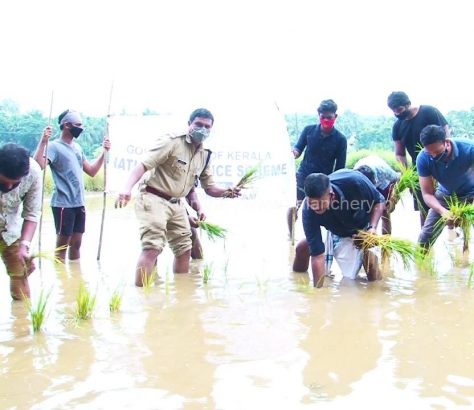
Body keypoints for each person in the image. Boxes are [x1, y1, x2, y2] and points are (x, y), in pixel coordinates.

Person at [115, 108, 240, 287]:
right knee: (153, 248)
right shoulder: (172, 142)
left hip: (177, 204)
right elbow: (143, 165)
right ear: (189, 124)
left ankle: (181, 294)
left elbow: (210, 188)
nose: (202, 129)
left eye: (207, 126)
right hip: (153, 197)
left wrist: (228, 192)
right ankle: (143, 299)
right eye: (198, 124)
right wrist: (126, 190)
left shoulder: (205, 155)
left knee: (184, 249)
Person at [34, 110, 111, 261]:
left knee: (76, 244)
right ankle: (60, 278)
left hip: (79, 202)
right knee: (62, 246)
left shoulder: (77, 148)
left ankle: (75, 280)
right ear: (67, 125)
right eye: (78, 125)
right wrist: (43, 141)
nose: (81, 129)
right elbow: (38, 165)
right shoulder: (54, 147)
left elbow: (92, 171)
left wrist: (104, 153)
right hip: (63, 204)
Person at [292, 171, 385, 287]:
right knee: (302, 247)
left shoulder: (355, 182)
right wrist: (317, 295)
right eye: (312, 203)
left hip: (361, 230)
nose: (316, 207)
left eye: (320, 203)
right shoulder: (308, 210)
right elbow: (317, 254)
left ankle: (378, 287)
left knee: (371, 266)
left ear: (332, 195)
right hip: (334, 230)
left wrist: (372, 228)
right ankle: (296, 280)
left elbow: (379, 201)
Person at [387, 91, 450, 226]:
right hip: (419, 172)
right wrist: (407, 174)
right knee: (424, 208)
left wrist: (446, 160)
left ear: (408, 104)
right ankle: (426, 243)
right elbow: (400, 153)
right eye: (394, 112)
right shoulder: (397, 126)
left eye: (399, 110)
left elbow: (446, 135)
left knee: (451, 204)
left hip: (441, 165)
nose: (397, 114)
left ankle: (456, 235)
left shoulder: (429, 112)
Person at [287, 99, 347, 236]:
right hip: (303, 177)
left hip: (323, 183)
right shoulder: (308, 130)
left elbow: (340, 168)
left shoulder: (340, 140)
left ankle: (322, 238)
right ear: (318, 116)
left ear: (335, 117)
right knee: (293, 206)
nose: (326, 120)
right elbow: (298, 149)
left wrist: (331, 186)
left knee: (322, 210)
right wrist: (292, 154)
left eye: (329, 117)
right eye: (323, 117)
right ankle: (291, 236)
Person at [416, 125, 474, 250]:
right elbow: (427, 194)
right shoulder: (423, 158)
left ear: (447, 142)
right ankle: (421, 266)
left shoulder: (470, 149)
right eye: (429, 152)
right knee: (425, 237)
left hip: (472, 192)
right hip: (445, 194)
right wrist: (443, 211)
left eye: (437, 152)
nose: (433, 156)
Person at [0, 143, 42, 299]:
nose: (10, 186)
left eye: (15, 182)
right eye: (4, 182)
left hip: (10, 227)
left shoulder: (34, 172)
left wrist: (24, 245)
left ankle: (22, 320)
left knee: (19, 270)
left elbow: (32, 213)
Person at [353, 155, 400, 234]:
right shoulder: (355, 176)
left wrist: (393, 198)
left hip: (382, 186)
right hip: (363, 188)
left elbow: (398, 179)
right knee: (366, 213)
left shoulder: (384, 170)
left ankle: (386, 243)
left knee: (385, 212)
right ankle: (368, 236)